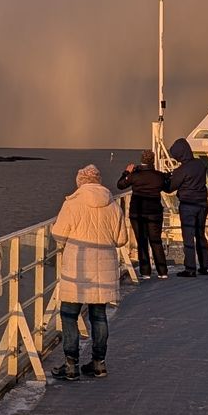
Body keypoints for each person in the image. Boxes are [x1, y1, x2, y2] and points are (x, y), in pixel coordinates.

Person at [51, 165, 128, 379]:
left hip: (77, 269)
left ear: (80, 182)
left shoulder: (72, 204)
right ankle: (98, 363)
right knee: (99, 316)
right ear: (98, 181)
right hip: (104, 269)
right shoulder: (112, 205)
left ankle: (70, 365)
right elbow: (121, 239)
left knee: (69, 315)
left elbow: (59, 234)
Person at [117, 150, 172, 279]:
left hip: (138, 213)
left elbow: (120, 185)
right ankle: (162, 271)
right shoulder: (159, 176)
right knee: (156, 241)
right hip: (154, 213)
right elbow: (168, 188)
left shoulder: (135, 175)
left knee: (142, 242)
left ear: (141, 160)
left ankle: (145, 272)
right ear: (152, 161)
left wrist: (126, 172)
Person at [167, 137, 208, 276]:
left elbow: (170, 188)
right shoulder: (200, 163)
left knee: (188, 238)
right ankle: (205, 266)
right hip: (203, 204)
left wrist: (165, 180)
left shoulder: (182, 170)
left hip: (188, 206)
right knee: (200, 235)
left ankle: (190, 269)